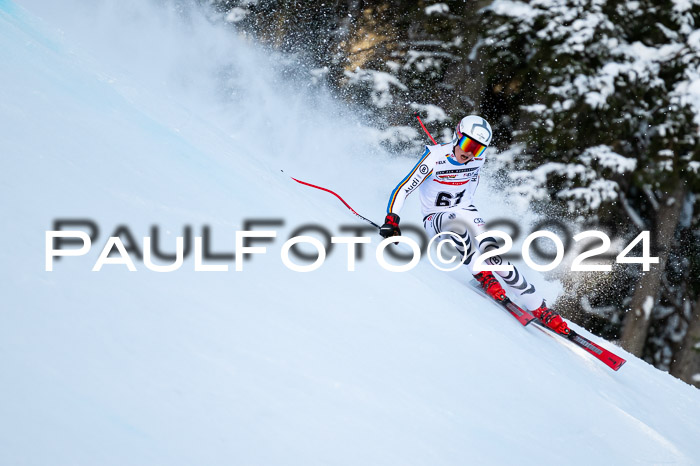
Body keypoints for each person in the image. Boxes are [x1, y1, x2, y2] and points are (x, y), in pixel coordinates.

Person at [379, 115, 569, 334]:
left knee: (495, 255)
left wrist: (467, 205)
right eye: (468, 144)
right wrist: (392, 219)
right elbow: (403, 188)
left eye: (478, 149)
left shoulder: (478, 158)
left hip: (465, 210)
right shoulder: (433, 158)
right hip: (436, 217)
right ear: (457, 137)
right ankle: (483, 275)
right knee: (457, 227)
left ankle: (539, 307)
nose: (470, 153)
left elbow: (471, 183)